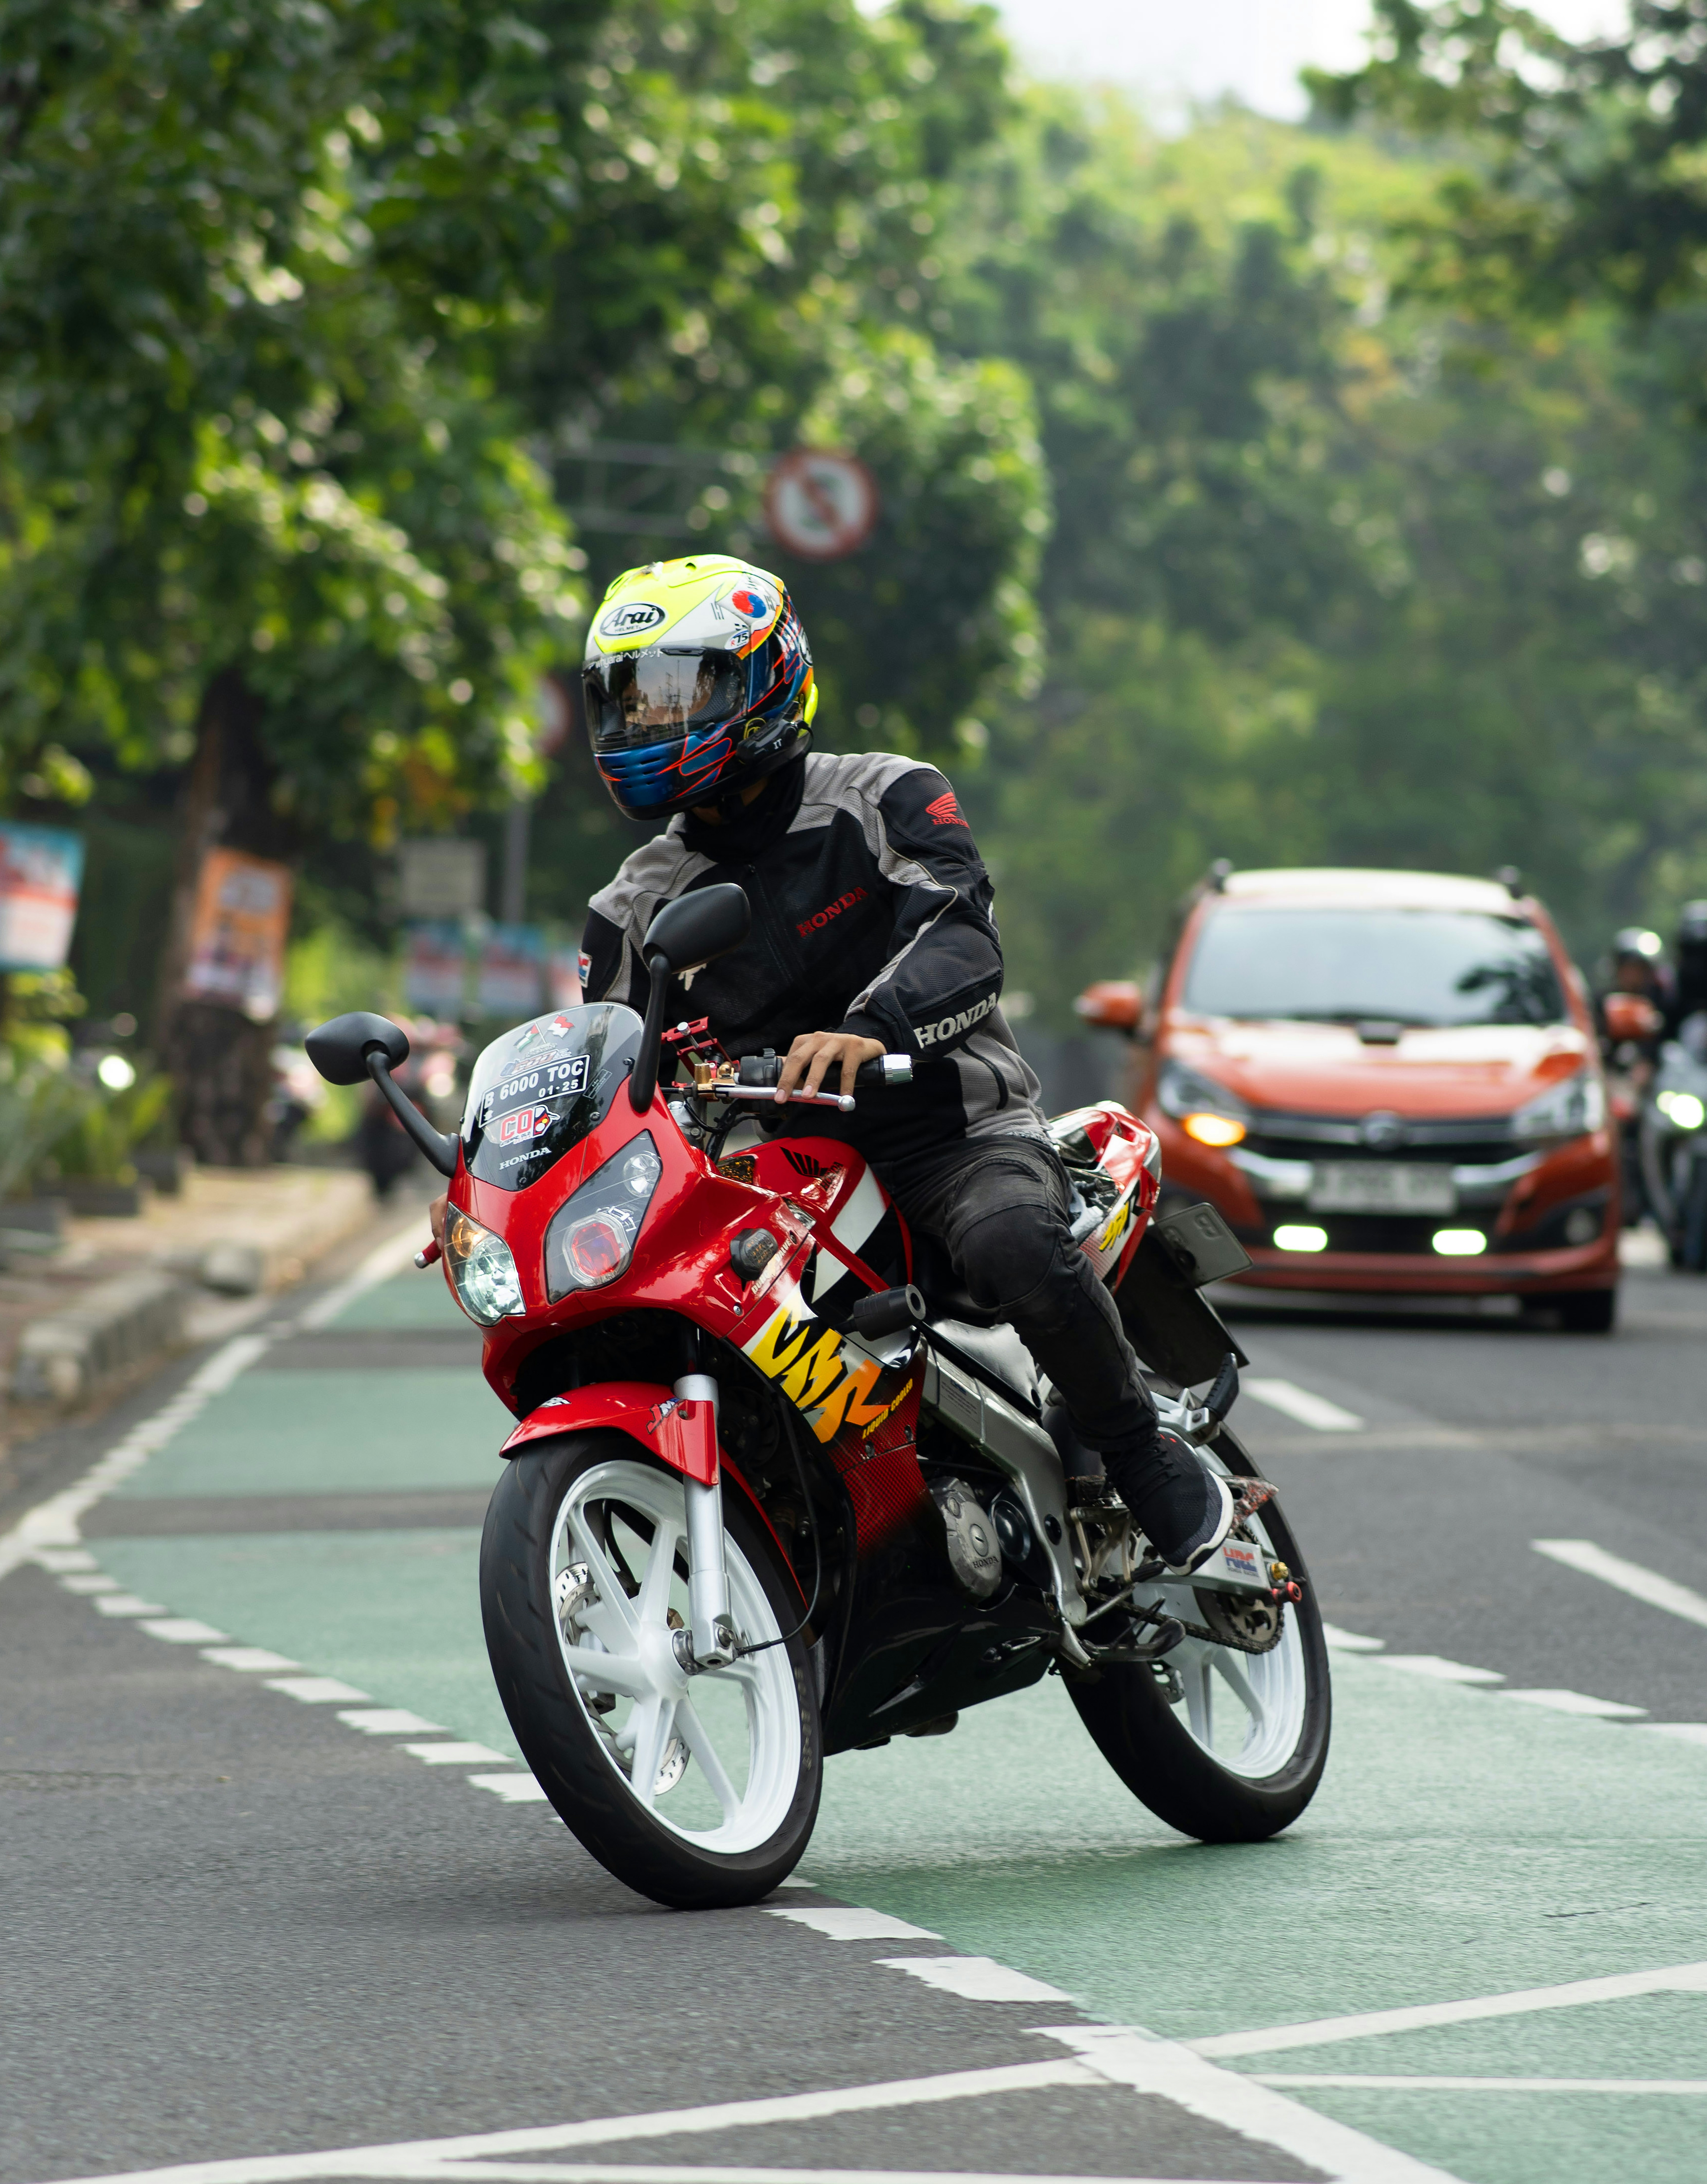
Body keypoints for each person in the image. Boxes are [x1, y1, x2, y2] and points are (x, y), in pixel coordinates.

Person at [561, 551, 1233, 1572]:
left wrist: (869, 1029)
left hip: (945, 1131)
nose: (647, 724)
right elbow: (611, 1069)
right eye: (627, 703)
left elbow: (964, 939)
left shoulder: (887, 797)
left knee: (1013, 1240)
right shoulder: (628, 906)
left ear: (764, 679)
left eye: (673, 693)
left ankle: (1141, 1457)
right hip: (774, 1180)